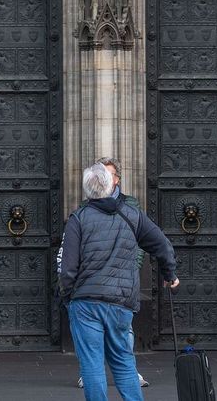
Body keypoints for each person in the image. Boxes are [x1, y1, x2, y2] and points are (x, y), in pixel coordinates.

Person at [58, 163, 179, 401]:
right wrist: (170, 274)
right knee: (124, 363)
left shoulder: (78, 219)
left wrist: (67, 296)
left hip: (86, 302)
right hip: (121, 302)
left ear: (87, 190)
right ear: (111, 184)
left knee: (92, 364)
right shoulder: (131, 215)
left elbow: (68, 267)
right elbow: (162, 245)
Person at [76, 158, 149, 390]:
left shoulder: (130, 206)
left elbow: (143, 240)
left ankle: (128, 372)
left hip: (116, 284)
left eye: (107, 174)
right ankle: (91, 374)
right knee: (93, 350)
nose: (103, 178)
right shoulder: (85, 211)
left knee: (123, 339)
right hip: (97, 286)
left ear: (116, 179)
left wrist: (132, 266)